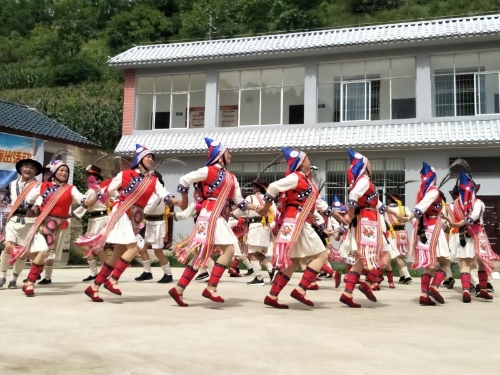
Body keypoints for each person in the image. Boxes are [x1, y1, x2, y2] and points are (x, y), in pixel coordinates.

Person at [79, 144, 178, 302]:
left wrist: (174, 200)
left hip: (136, 218)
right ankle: (113, 280)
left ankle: (94, 287)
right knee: (135, 248)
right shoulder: (125, 174)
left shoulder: (153, 181)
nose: (151, 159)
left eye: (152, 157)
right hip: (123, 213)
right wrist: (93, 198)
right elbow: (107, 191)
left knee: (117, 254)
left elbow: (164, 194)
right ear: (139, 160)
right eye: (147, 156)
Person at [168, 138, 256, 306]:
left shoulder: (232, 178)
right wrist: (184, 199)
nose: (231, 155)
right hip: (210, 214)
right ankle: (211, 288)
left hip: (213, 215)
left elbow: (239, 201)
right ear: (220, 156)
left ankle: (178, 289)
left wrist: (255, 207)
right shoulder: (208, 171)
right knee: (229, 250)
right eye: (227, 153)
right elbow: (184, 179)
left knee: (202, 255)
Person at [257, 147, 335, 309]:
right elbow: (272, 187)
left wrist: (341, 218)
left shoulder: (306, 182)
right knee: (322, 255)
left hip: (294, 223)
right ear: (300, 164)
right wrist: (265, 208)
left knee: (293, 262)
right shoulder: (296, 178)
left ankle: (272, 295)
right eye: (306, 159)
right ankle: (301, 289)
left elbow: (320, 205)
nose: (309, 161)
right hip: (298, 222)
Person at [337, 149, 402, 308]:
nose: (371, 165)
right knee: (377, 254)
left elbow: (378, 205)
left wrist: (397, 214)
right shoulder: (364, 180)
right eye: (369, 162)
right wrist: (350, 215)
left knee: (363, 259)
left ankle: (348, 293)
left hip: (368, 220)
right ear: (365, 166)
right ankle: (368, 282)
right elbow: (353, 196)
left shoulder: (365, 183)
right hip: (367, 221)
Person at [20, 159, 94, 297]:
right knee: (43, 251)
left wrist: (89, 199)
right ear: (54, 172)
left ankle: (30, 281)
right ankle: (30, 282)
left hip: (57, 225)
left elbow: (81, 198)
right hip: (43, 222)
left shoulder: (71, 188)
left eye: (66, 171)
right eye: (61, 170)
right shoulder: (43, 186)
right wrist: (32, 206)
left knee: (44, 253)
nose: (64, 173)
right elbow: (30, 198)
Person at [443, 171, 496, 302]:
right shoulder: (478, 202)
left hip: (460, 236)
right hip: (478, 235)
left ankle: (466, 291)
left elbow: (446, 223)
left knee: (465, 265)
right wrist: (458, 223)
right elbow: (473, 217)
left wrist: (455, 223)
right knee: (481, 263)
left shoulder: (451, 205)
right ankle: (482, 289)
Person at [402, 162, 451, 306]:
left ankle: (424, 295)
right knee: (444, 263)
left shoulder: (421, 191)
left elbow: (422, 207)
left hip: (423, 229)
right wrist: (410, 217)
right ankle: (434, 287)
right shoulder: (434, 192)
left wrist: (410, 217)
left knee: (430, 265)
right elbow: (421, 208)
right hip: (434, 229)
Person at [0, 156, 43, 289]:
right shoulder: (12, 184)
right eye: (26, 166)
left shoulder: (39, 186)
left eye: (32, 167)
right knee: (8, 247)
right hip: (13, 220)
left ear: (36, 171)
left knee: (23, 252)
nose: (28, 169)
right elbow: (5, 201)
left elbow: (40, 200)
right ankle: (2, 276)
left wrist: (36, 207)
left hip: (29, 221)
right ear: (20, 169)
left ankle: (14, 278)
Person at [235, 179, 277, 286]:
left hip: (255, 226)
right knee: (257, 252)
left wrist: (232, 214)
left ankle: (258, 277)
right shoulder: (269, 200)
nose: (252, 189)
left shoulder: (250, 198)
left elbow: (241, 210)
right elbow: (275, 214)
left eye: (254, 187)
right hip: (265, 227)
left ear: (258, 188)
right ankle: (271, 269)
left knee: (251, 253)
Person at [134, 170, 174, 284]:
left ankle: (168, 274)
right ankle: (147, 272)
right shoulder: (151, 193)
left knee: (158, 251)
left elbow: (147, 209)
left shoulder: (157, 194)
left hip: (157, 224)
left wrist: (136, 207)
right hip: (150, 224)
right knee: (142, 248)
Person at [76, 165, 111, 282]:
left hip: (99, 219)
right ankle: (96, 272)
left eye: (91, 176)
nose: (88, 178)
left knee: (97, 247)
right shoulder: (98, 190)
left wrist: (72, 214)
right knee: (88, 246)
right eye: (88, 175)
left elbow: (86, 204)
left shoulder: (93, 190)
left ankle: (105, 273)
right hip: (94, 220)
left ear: (97, 178)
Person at [384, 192, 412, 285]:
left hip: (393, 234)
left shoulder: (386, 210)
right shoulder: (404, 208)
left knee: (397, 256)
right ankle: (402, 276)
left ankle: (407, 276)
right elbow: (411, 217)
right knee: (401, 255)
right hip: (403, 233)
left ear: (389, 200)